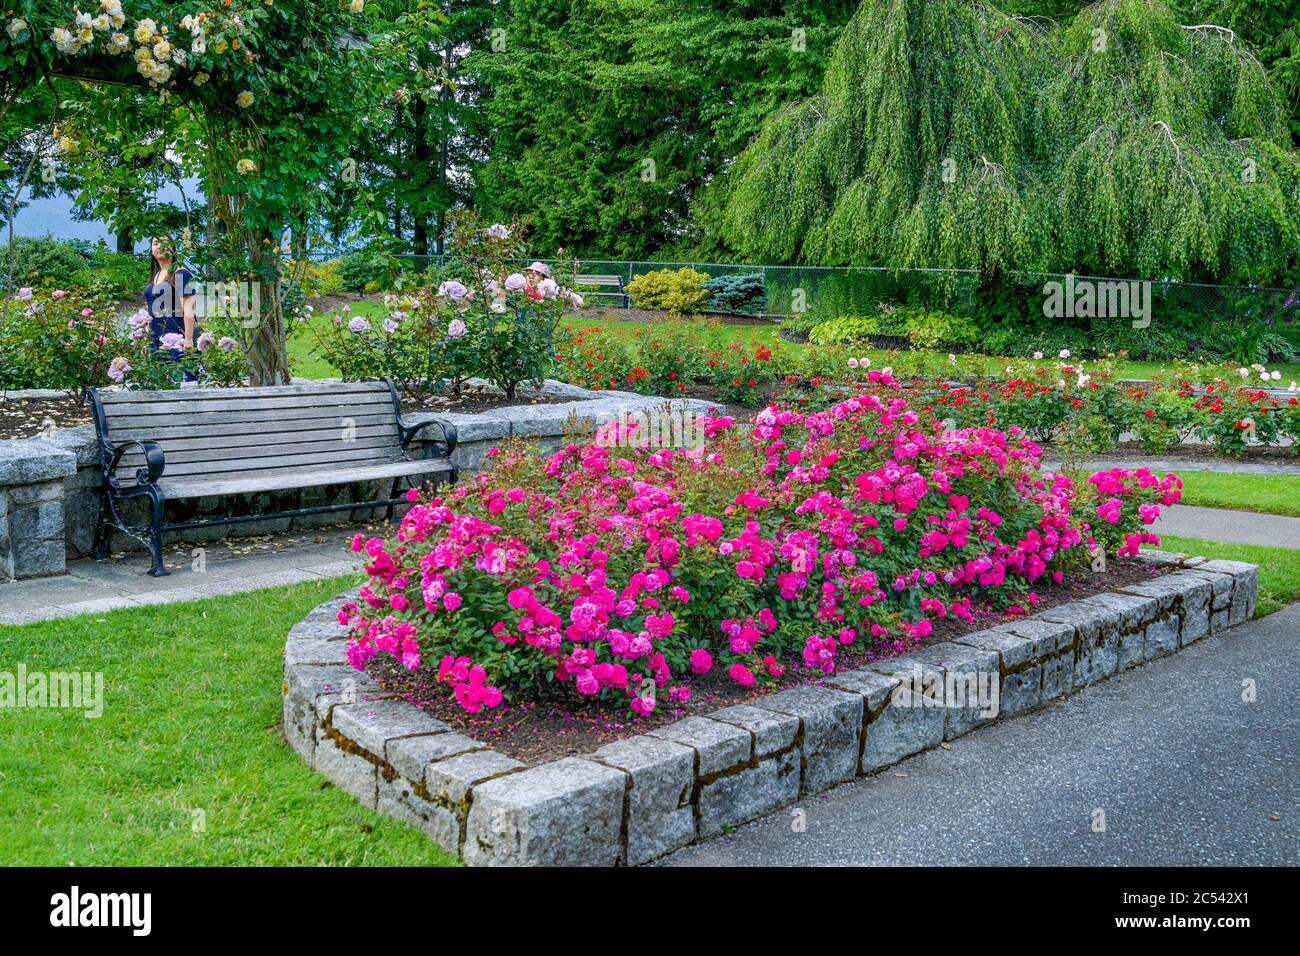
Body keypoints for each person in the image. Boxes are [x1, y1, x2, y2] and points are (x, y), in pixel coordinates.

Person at [144, 235, 197, 360]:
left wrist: (188, 339)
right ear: (151, 250)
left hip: (177, 340)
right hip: (156, 341)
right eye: (156, 243)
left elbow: (189, 309)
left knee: (183, 378)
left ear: (173, 249)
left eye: (164, 242)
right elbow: (150, 312)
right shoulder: (155, 276)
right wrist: (146, 340)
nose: (160, 246)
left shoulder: (182, 273)